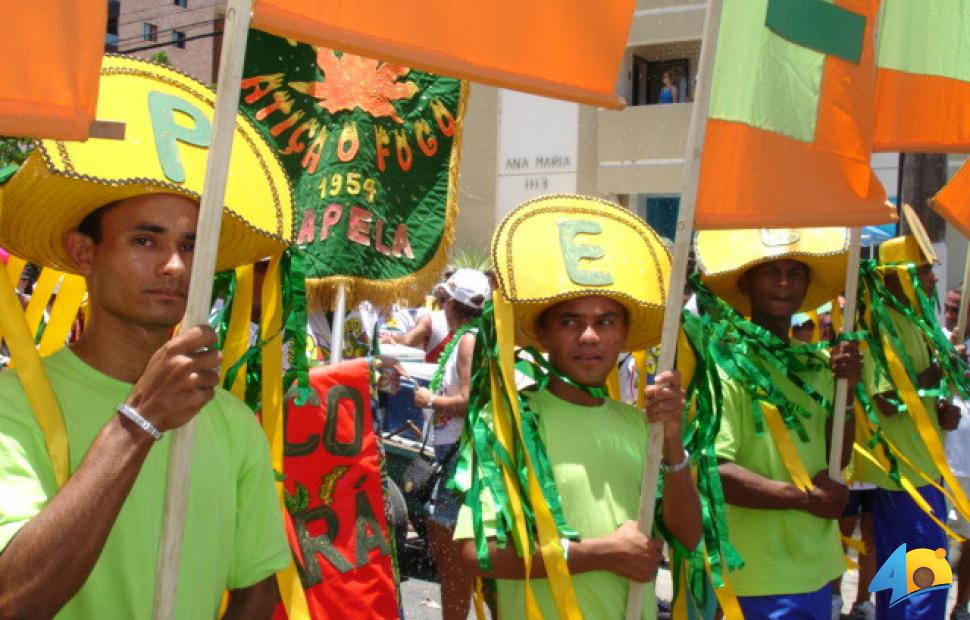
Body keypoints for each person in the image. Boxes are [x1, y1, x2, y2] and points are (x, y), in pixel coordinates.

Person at [0, 56, 291, 618]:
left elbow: (257, 588)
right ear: (85, 253)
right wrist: (140, 421)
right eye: (145, 241)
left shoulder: (231, 421)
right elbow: (13, 599)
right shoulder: (15, 407)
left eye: (189, 245)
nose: (175, 267)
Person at [454, 195, 702, 619]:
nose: (589, 336)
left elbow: (689, 535)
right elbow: (479, 553)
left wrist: (674, 446)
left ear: (623, 336)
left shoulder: (642, 426)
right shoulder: (509, 423)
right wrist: (601, 554)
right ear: (543, 334)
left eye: (605, 321)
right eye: (570, 321)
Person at [694, 227, 861, 618]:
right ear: (746, 283)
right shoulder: (722, 364)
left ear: (805, 290)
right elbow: (716, 471)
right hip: (757, 572)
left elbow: (835, 453)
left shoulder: (820, 364)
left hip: (817, 568)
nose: (784, 282)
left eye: (795, 273)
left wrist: (847, 393)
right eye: (771, 271)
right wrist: (805, 498)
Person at [854, 225, 966, 620]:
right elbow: (885, 403)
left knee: (904, 588)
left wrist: (941, 412)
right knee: (924, 586)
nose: (933, 277)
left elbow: (911, 400)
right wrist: (933, 378)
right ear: (894, 275)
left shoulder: (915, 321)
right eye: (922, 269)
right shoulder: (884, 324)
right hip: (905, 476)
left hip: (919, 471)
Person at [411, 268, 490, 620]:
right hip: (458, 456)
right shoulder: (473, 337)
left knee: (454, 566)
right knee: (465, 567)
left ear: (452, 305)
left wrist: (431, 401)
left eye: (444, 300)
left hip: (459, 461)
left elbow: (470, 399)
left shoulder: (469, 340)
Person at [943, 286, 970, 620]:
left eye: (958, 309)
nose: (951, 316)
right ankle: (926, 604)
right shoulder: (936, 341)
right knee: (933, 539)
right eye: (948, 309)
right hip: (942, 460)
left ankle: (961, 605)